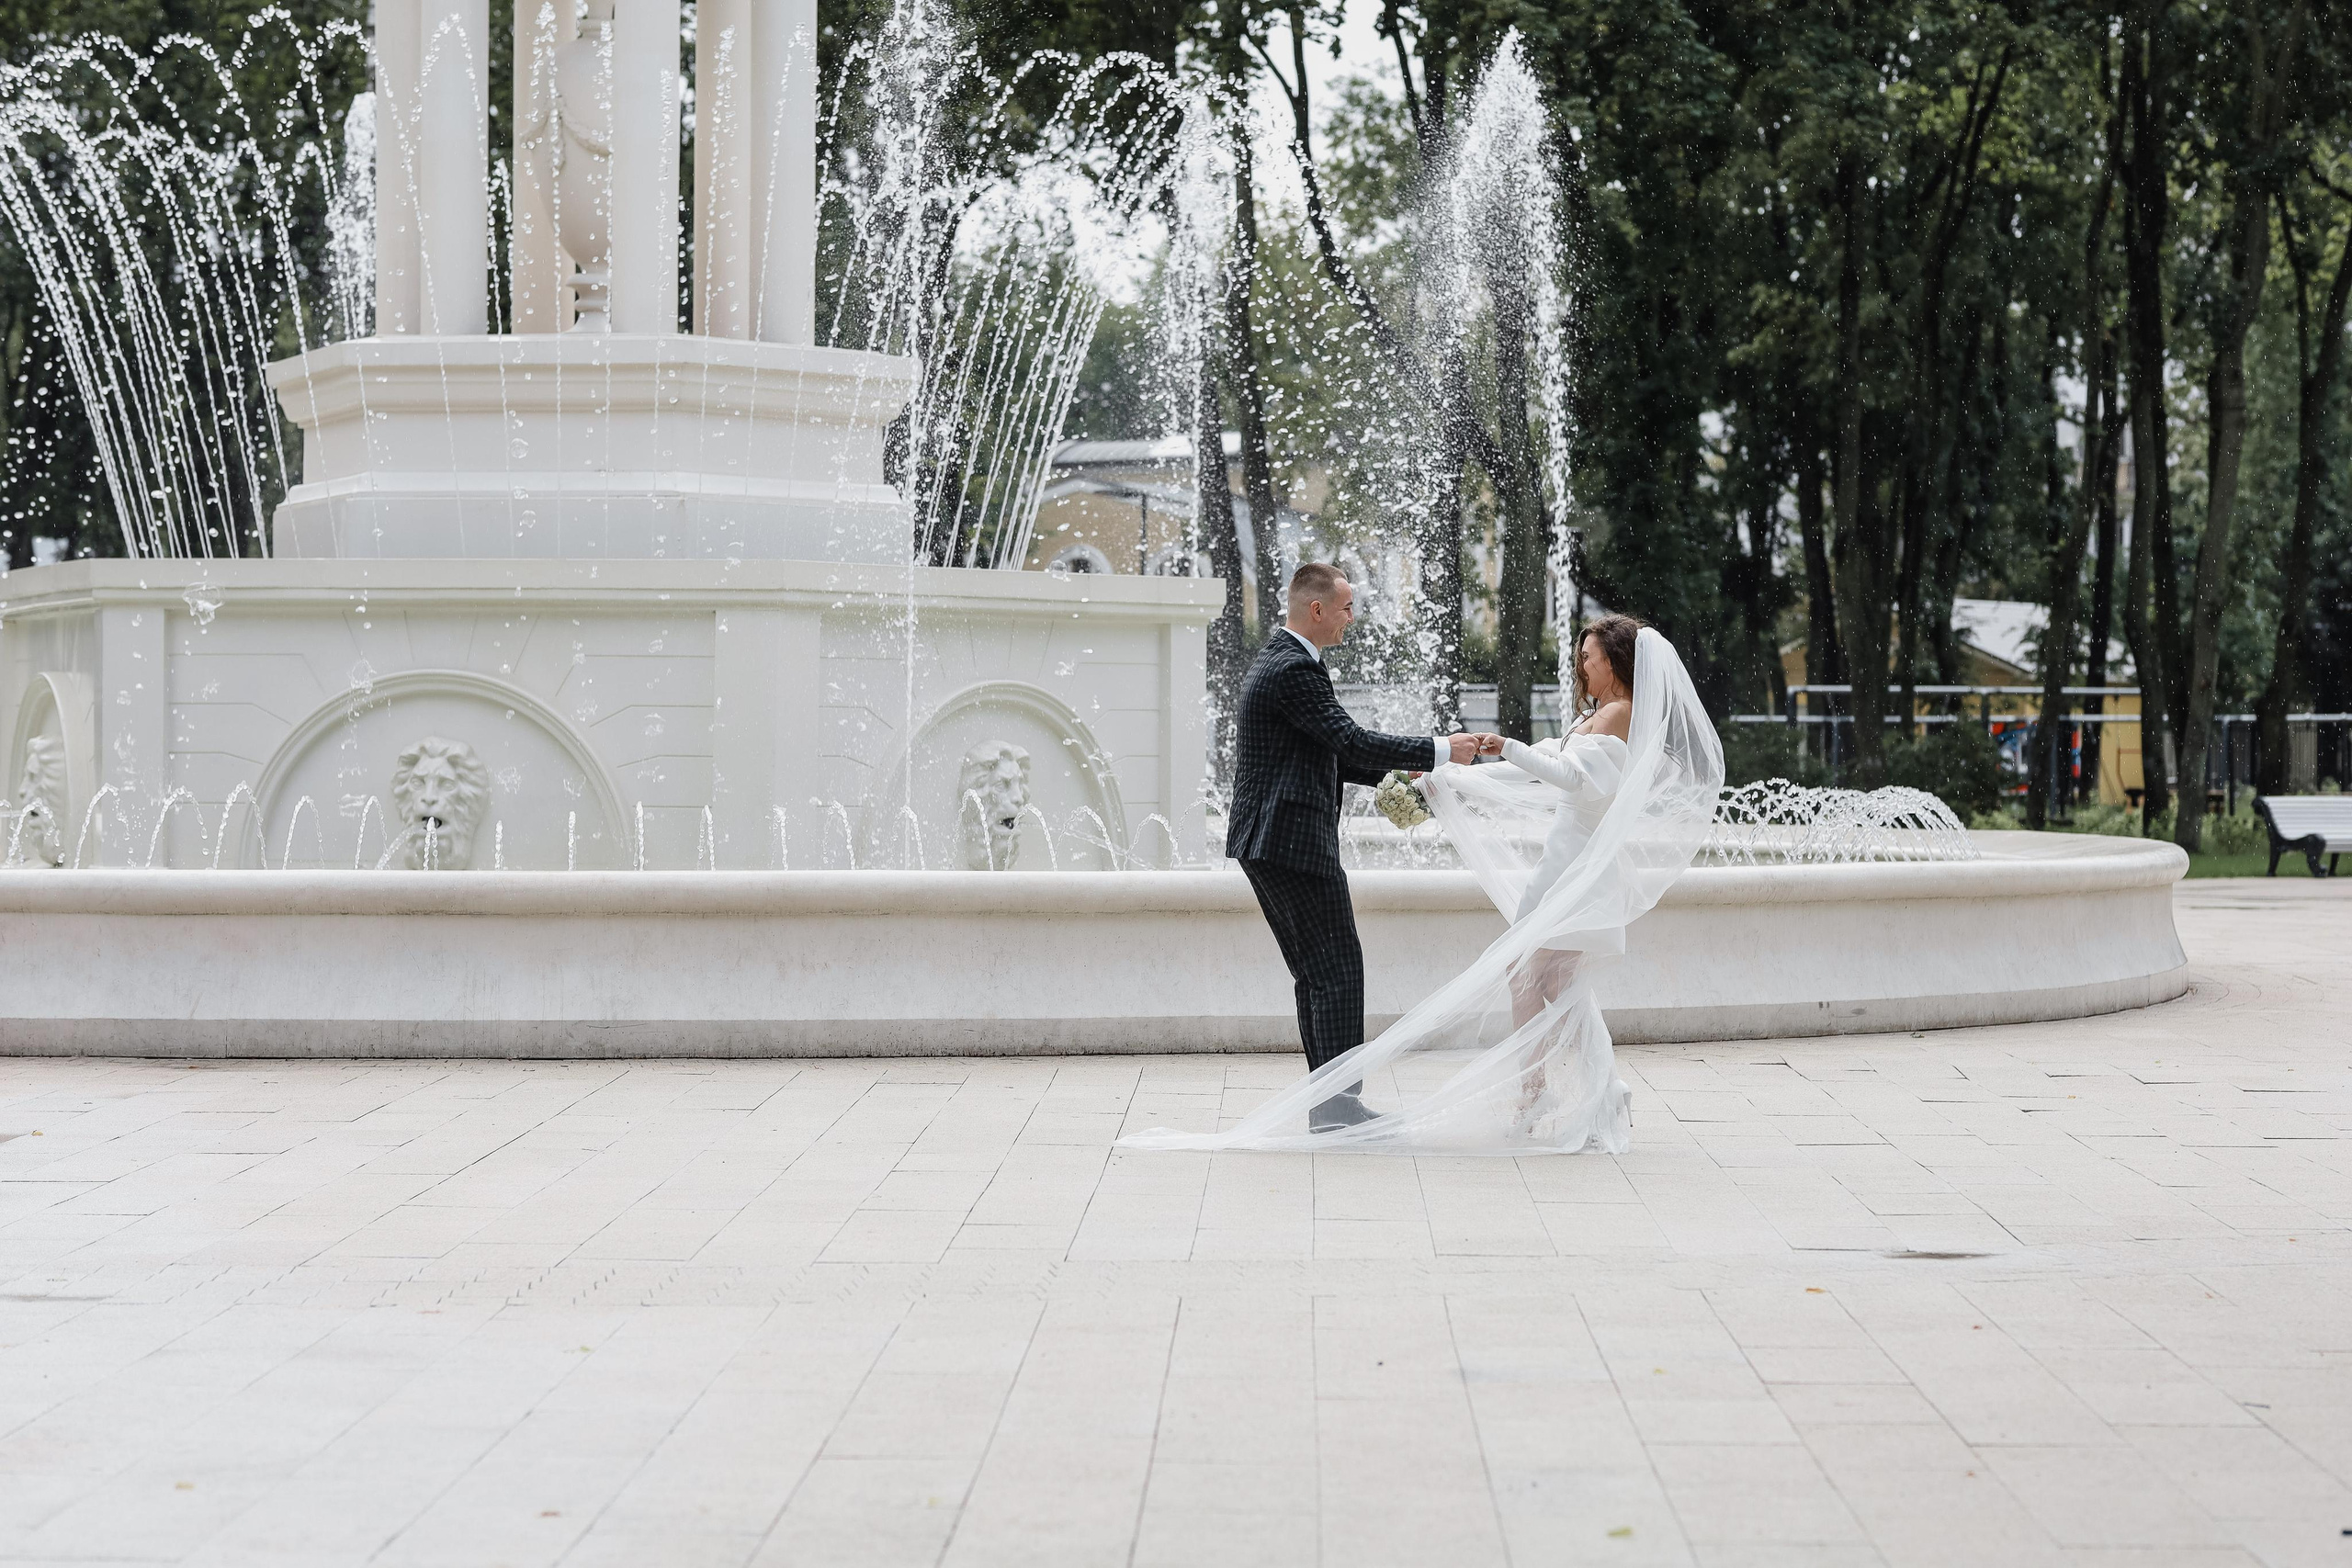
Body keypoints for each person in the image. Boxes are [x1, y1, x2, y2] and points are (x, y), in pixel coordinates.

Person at [1125, 613, 1722, 1155]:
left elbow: (1574, 779)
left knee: (1536, 975)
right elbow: (1553, 759)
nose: (1581, 664)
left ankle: (1548, 1089)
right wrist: (1473, 766)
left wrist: (1502, 746)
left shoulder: (1620, 714)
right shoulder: (1596, 715)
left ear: (1616, 661)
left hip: (1578, 868)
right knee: (1558, 980)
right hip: (1564, 863)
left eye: (1590, 655)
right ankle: (1589, 1088)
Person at [1218, 562, 1494, 1132]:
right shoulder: (1293, 668)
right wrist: (1441, 750)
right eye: (1346, 607)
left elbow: (1336, 756)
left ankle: (1330, 1105)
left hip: (1271, 838)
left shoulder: (1287, 661)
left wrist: (1403, 779)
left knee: (1317, 974)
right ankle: (1337, 1107)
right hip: (1288, 838)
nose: (1352, 618)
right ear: (1316, 610)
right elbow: (1350, 739)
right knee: (1338, 968)